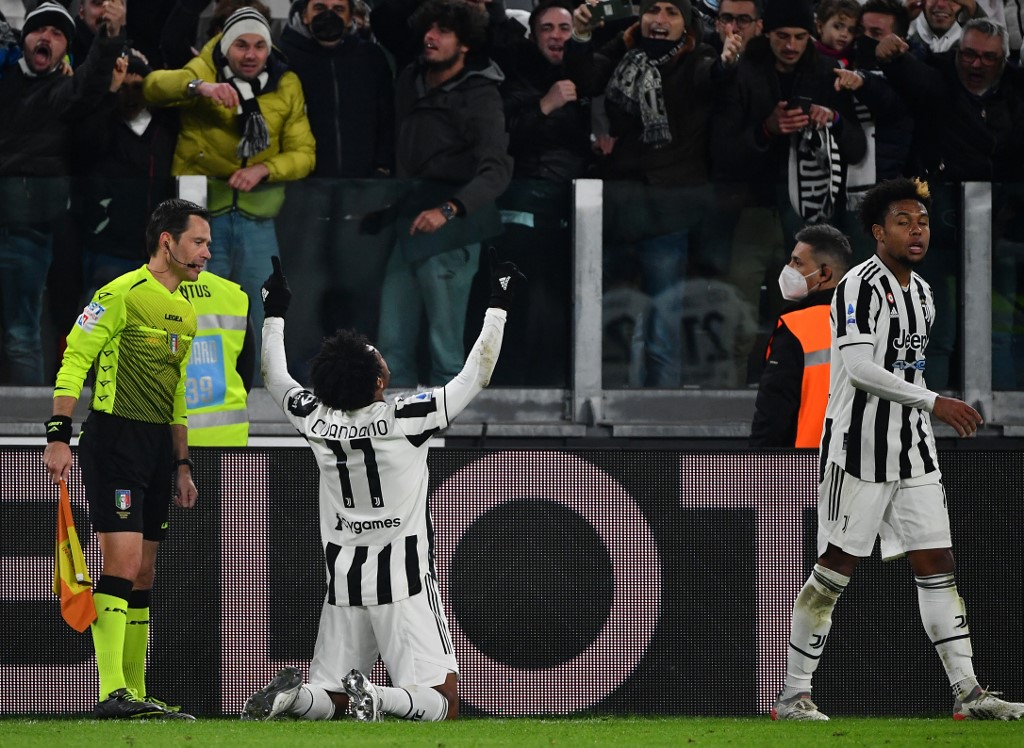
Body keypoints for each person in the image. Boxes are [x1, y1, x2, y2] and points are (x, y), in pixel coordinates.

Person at [771, 177, 1024, 722]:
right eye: (904, 222)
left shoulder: (925, 292)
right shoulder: (858, 286)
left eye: (924, 221)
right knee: (834, 570)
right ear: (877, 231)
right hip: (858, 448)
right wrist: (935, 402)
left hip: (912, 448)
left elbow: (903, 370)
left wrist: (925, 412)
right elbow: (861, 371)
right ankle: (793, 695)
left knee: (937, 564)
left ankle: (968, 692)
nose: (917, 231)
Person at [242, 250, 525, 722]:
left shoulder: (315, 418)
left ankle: (294, 698)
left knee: (328, 695)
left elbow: (275, 376)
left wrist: (273, 314)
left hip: (344, 579)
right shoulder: (407, 417)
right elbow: (477, 372)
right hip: (405, 579)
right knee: (444, 704)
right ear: (379, 380)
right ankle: (380, 697)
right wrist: (498, 303)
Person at [42, 198, 210, 720]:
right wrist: (58, 433)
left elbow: (176, 389)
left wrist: (181, 464)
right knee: (124, 563)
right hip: (114, 440)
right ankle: (110, 691)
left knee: (145, 574)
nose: (207, 252)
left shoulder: (186, 308)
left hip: (159, 448)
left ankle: (135, 694)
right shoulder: (119, 293)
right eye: (198, 242)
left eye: (208, 244)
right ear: (168, 241)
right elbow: (76, 356)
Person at [143, 6, 316, 364]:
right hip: (201, 221)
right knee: (198, 316)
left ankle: (257, 399)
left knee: (264, 316)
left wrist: (264, 169)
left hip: (258, 219)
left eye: (258, 45)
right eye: (241, 45)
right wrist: (199, 88)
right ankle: (194, 399)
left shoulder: (286, 82)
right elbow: (153, 87)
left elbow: (304, 153)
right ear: (225, 47)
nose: (251, 54)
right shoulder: (203, 69)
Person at [377, 0, 512, 387]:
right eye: (429, 29)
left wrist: (450, 209)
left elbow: (497, 170)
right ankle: (392, 436)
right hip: (409, 224)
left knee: (445, 348)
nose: (430, 38)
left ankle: (453, 441)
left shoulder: (481, 94)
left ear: (465, 43)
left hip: (453, 231)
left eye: (443, 32)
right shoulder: (410, 79)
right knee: (391, 344)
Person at [0, 1, 124, 385]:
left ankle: (23, 432)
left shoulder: (63, 92)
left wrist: (108, 37)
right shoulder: (4, 83)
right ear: (25, 38)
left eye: (57, 34)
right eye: (41, 30)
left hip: (27, 231)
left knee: (21, 334)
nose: (47, 38)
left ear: (65, 48)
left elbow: (90, 82)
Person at [276, 0, 396, 374]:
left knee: (358, 287)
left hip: (362, 191)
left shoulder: (371, 56)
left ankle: (357, 369)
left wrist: (382, 169)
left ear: (351, 14)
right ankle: (301, 370)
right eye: (320, 6)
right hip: (302, 193)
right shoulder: (283, 55)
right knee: (302, 287)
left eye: (339, 7)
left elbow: (387, 114)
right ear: (303, 11)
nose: (330, 14)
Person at [749, 224, 851, 448]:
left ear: (824, 273)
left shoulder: (796, 327)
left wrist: (757, 464)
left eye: (797, 262)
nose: (789, 268)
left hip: (806, 468)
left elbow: (774, 412)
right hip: (867, 469)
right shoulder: (873, 320)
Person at [180, 269, 254, 446]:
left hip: (166, 445)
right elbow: (246, 374)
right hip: (229, 439)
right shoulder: (234, 295)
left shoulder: (137, 293)